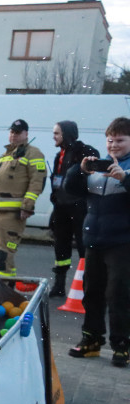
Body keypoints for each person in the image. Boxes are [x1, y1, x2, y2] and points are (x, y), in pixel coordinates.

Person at [64, 116, 130, 368]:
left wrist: (124, 178)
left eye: (120, 140)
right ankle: (91, 340)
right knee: (91, 293)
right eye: (110, 140)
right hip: (94, 239)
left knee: (119, 295)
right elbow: (71, 190)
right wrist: (79, 170)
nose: (114, 145)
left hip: (122, 242)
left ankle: (121, 344)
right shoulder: (98, 165)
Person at [0, 118, 47, 276]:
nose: (14, 135)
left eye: (18, 132)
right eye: (12, 132)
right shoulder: (5, 155)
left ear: (26, 134)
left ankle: (0, 290)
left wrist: (27, 205)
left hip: (13, 211)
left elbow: (37, 181)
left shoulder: (33, 153)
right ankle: (8, 286)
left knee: (3, 254)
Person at [48, 120, 98, 298]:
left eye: (56, 133)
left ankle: (88, 287)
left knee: (84, 247)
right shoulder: (58, 155)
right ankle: (59, 285)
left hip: (79, 208)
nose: (53, 136)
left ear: (67, 134)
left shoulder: (84, 150)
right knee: (60, 246)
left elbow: (94, 163)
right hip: (61, 208)